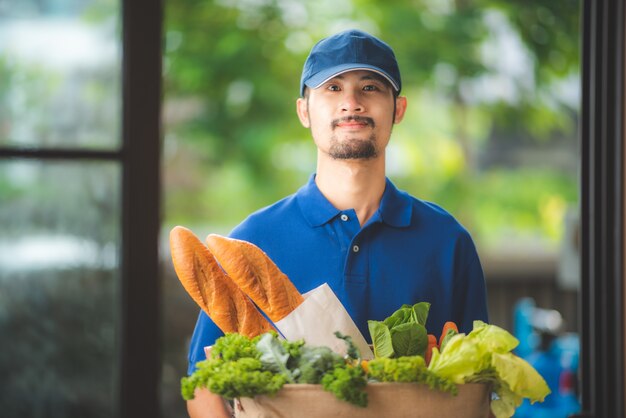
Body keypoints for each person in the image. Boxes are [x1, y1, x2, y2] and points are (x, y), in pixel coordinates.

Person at [186, 29, 489, 417]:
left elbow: (480, 385)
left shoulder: (447, 241)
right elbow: (204, 387)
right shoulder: (252, 241)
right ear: (304, 111)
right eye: (332, 88)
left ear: (398, 109)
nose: (351, 103)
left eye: (370, 87)